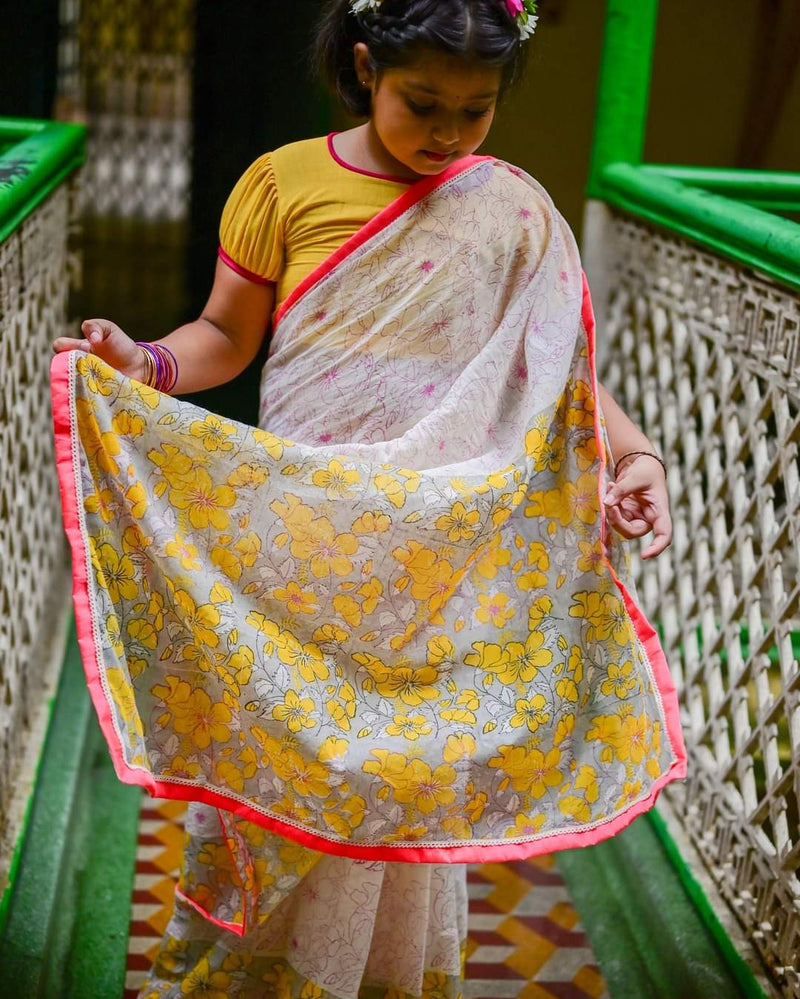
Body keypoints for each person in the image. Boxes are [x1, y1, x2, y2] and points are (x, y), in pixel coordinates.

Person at [50, 1, 687, 996]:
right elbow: (226, 334)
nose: (444, 132)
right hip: (305, 529)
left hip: (432, 550)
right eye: (420, 102)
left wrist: (631, 453)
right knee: (285, 751)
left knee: (402, 773)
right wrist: (146, 364)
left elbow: (553, 367)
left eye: (472, 112)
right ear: (362, 66)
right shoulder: (281, 183)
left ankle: (386, 979)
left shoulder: (511, 210)